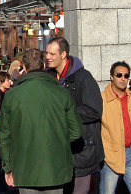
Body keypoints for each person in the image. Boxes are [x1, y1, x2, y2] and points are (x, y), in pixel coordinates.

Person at [0, 48, 82, 193]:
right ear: (44, 66)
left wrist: (8, 167)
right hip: (55, 165)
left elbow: (4, 134)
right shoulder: (61, 92)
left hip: (24, 166)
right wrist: (57, 142)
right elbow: (76, 130)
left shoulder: (12, 95)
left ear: (24, 67)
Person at [46, 37, 104, 193]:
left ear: (63, 54)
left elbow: (95, 110)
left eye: (52, 53)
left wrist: (65, 113)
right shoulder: (49, 78)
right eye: (47, 53)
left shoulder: (83, 78)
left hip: (81, 149)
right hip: (58, 151)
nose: (47, 57)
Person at [100, 61, 131, 194]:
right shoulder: (102, 99)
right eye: (119, 75)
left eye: (126, 76)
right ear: (111, 77)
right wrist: (105, 150)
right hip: (111, 155)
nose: (123, 79)